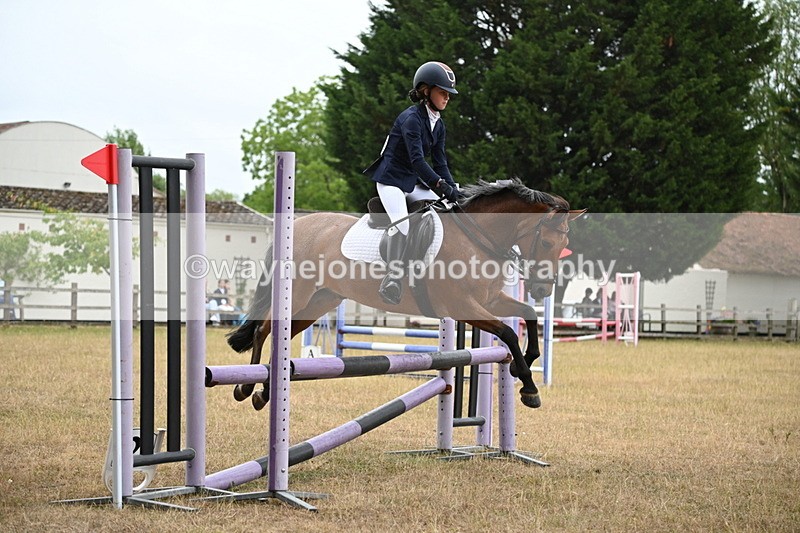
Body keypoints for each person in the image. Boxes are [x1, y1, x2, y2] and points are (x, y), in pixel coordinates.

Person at [365, 61, 461, 305]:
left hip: (412, 181)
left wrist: (453, 190)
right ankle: (393, 279)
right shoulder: (411, 119)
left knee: (440, 213)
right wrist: (440, 186)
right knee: (404, 225)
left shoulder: (438, 123)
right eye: (442, 92)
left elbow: (440, 163)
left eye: (449, 94)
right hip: (391, 180)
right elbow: (418, 160)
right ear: (426, 90)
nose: (447, 97)